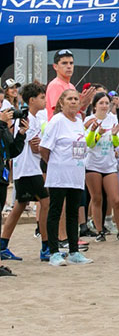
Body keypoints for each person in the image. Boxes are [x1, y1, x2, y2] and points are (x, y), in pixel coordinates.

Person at [40, 89, 90, 266]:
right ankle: (54, 252)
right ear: (61, 102)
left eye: (76, 99)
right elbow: (44, 148)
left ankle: (74, 251)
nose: (73, 102)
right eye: (69, 99)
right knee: (55, 211)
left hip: (76, 174)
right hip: (59, 175)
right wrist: (55, 163)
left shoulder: (79, 121)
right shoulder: (57, 121)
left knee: (73, 213)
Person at [1, 82, 48, 261]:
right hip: (28, 168)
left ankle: (3, 245)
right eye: (41, 97)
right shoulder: (26, 118)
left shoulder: (35, 118)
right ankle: (46, 246)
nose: (44, 101)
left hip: (27, 168)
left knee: (19, 206)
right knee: (46, 202)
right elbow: (32, 146)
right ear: (32, 100)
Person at [84, 92, 119, 243]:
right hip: (93, 164)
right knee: (96, 199)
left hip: (109, 165)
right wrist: (96, 133)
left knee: (115, 199)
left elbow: (116, 143)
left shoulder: (113, 119)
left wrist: (114, 135)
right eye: (101, 103)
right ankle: (100, 231)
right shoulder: (89, 120)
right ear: (94, 105)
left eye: (107, 103)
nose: (104, 106)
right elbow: (88, 144)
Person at [46, 49, 96, 119]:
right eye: (64, 63)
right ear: (55, 66)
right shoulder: (55, 85)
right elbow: (59, 113)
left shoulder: (71, 86)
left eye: (71, 63)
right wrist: (81, 104)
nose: (69, 66)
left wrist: (84, 106)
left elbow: (78, 117)